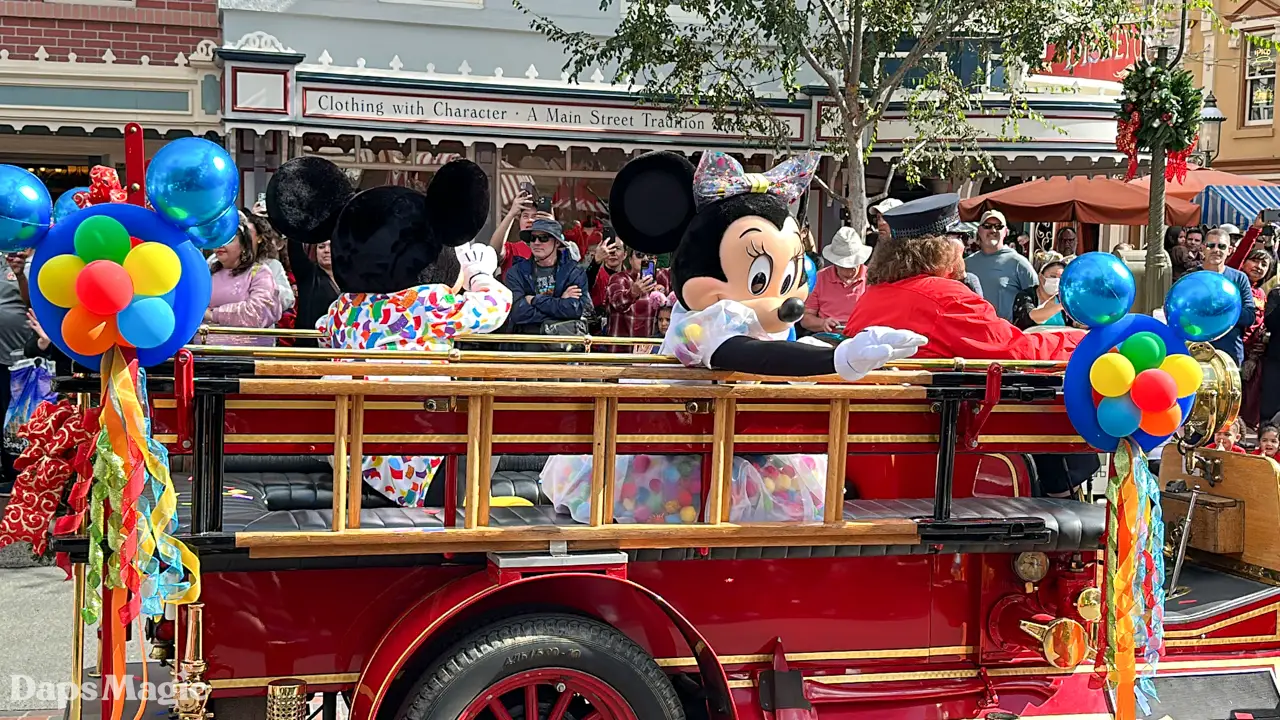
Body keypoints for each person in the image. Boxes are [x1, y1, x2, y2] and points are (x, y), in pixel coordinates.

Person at [846, 194, 1082, 361]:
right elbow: (1018, 352)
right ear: (941, 247)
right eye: (960, 237)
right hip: (929, 424)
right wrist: (1082, 343)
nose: (966, 245)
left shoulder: (870, 298)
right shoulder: (948, 297)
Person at [504, 218, 593, 342]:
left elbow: (576, 310)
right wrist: (560, 302)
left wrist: (535, 300)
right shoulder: (516, 272)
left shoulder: (574, 271)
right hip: (525, 348)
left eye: (543, 238)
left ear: (557, 243)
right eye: (532, 238)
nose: (536, 242)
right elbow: (518, 313)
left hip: (562, 349)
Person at [204, 214, 283, 347]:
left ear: (243, 245)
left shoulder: (260, 272)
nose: (221, 244)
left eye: (228, 239)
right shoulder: (207, 273)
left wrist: (212, 315)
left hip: (248, 356)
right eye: (217, 239)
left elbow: (258, 313)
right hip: (204, 352)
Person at [961, 209, 1039, 322]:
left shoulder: (1019, 263)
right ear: (979, 231)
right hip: (973, 332)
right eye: (987, 226)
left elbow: (1035, 301)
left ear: (1006, 231)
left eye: (998, 227)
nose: (993, 230)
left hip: (1007, 335)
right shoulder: (966, 264)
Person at [1199, 227, 1258, 367]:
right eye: (1211, 245)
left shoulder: (1239, 278)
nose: (1216, 250)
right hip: (1196, 351)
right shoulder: (1190, 277)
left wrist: (1224, 305)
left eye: (1222, 246)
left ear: (1229, 251)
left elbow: (1250, 317)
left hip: (1229, 353)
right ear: (1203, 249)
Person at [801, 227, 869, 335]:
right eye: (844, 265)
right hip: (827, 337)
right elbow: (806, 319)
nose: (849, 270)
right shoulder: (820, 278)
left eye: (853, 265)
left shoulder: (873, 279)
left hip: (862, 337)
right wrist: (823, 323)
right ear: (835, 262)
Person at [605, 244, 671, 342]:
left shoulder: (663, 277)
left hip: (653, 351)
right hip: (623, 350)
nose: (645, 259)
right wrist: (633, 293)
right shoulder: (619, 278)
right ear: (630, 260)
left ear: (655, 260)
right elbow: (617, 303)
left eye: (650, 255)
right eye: (639, 254)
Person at [1240, 248, 1271, 429]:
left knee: (1251, 398)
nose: (1258, 267)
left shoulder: (1261, 294)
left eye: (1264, 264)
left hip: (1254, 354)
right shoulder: (1234, 283)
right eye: (1255, 261)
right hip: (1235, 348)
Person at [1012, 260, 1075, 329]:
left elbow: (1073, 322)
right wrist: (1060, 306)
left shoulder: (1063, 297)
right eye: (1053, 276)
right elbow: (1033, 316)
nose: (1057, 281)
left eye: (1061, 278)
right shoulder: (1026, 295)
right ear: (1041, 277)